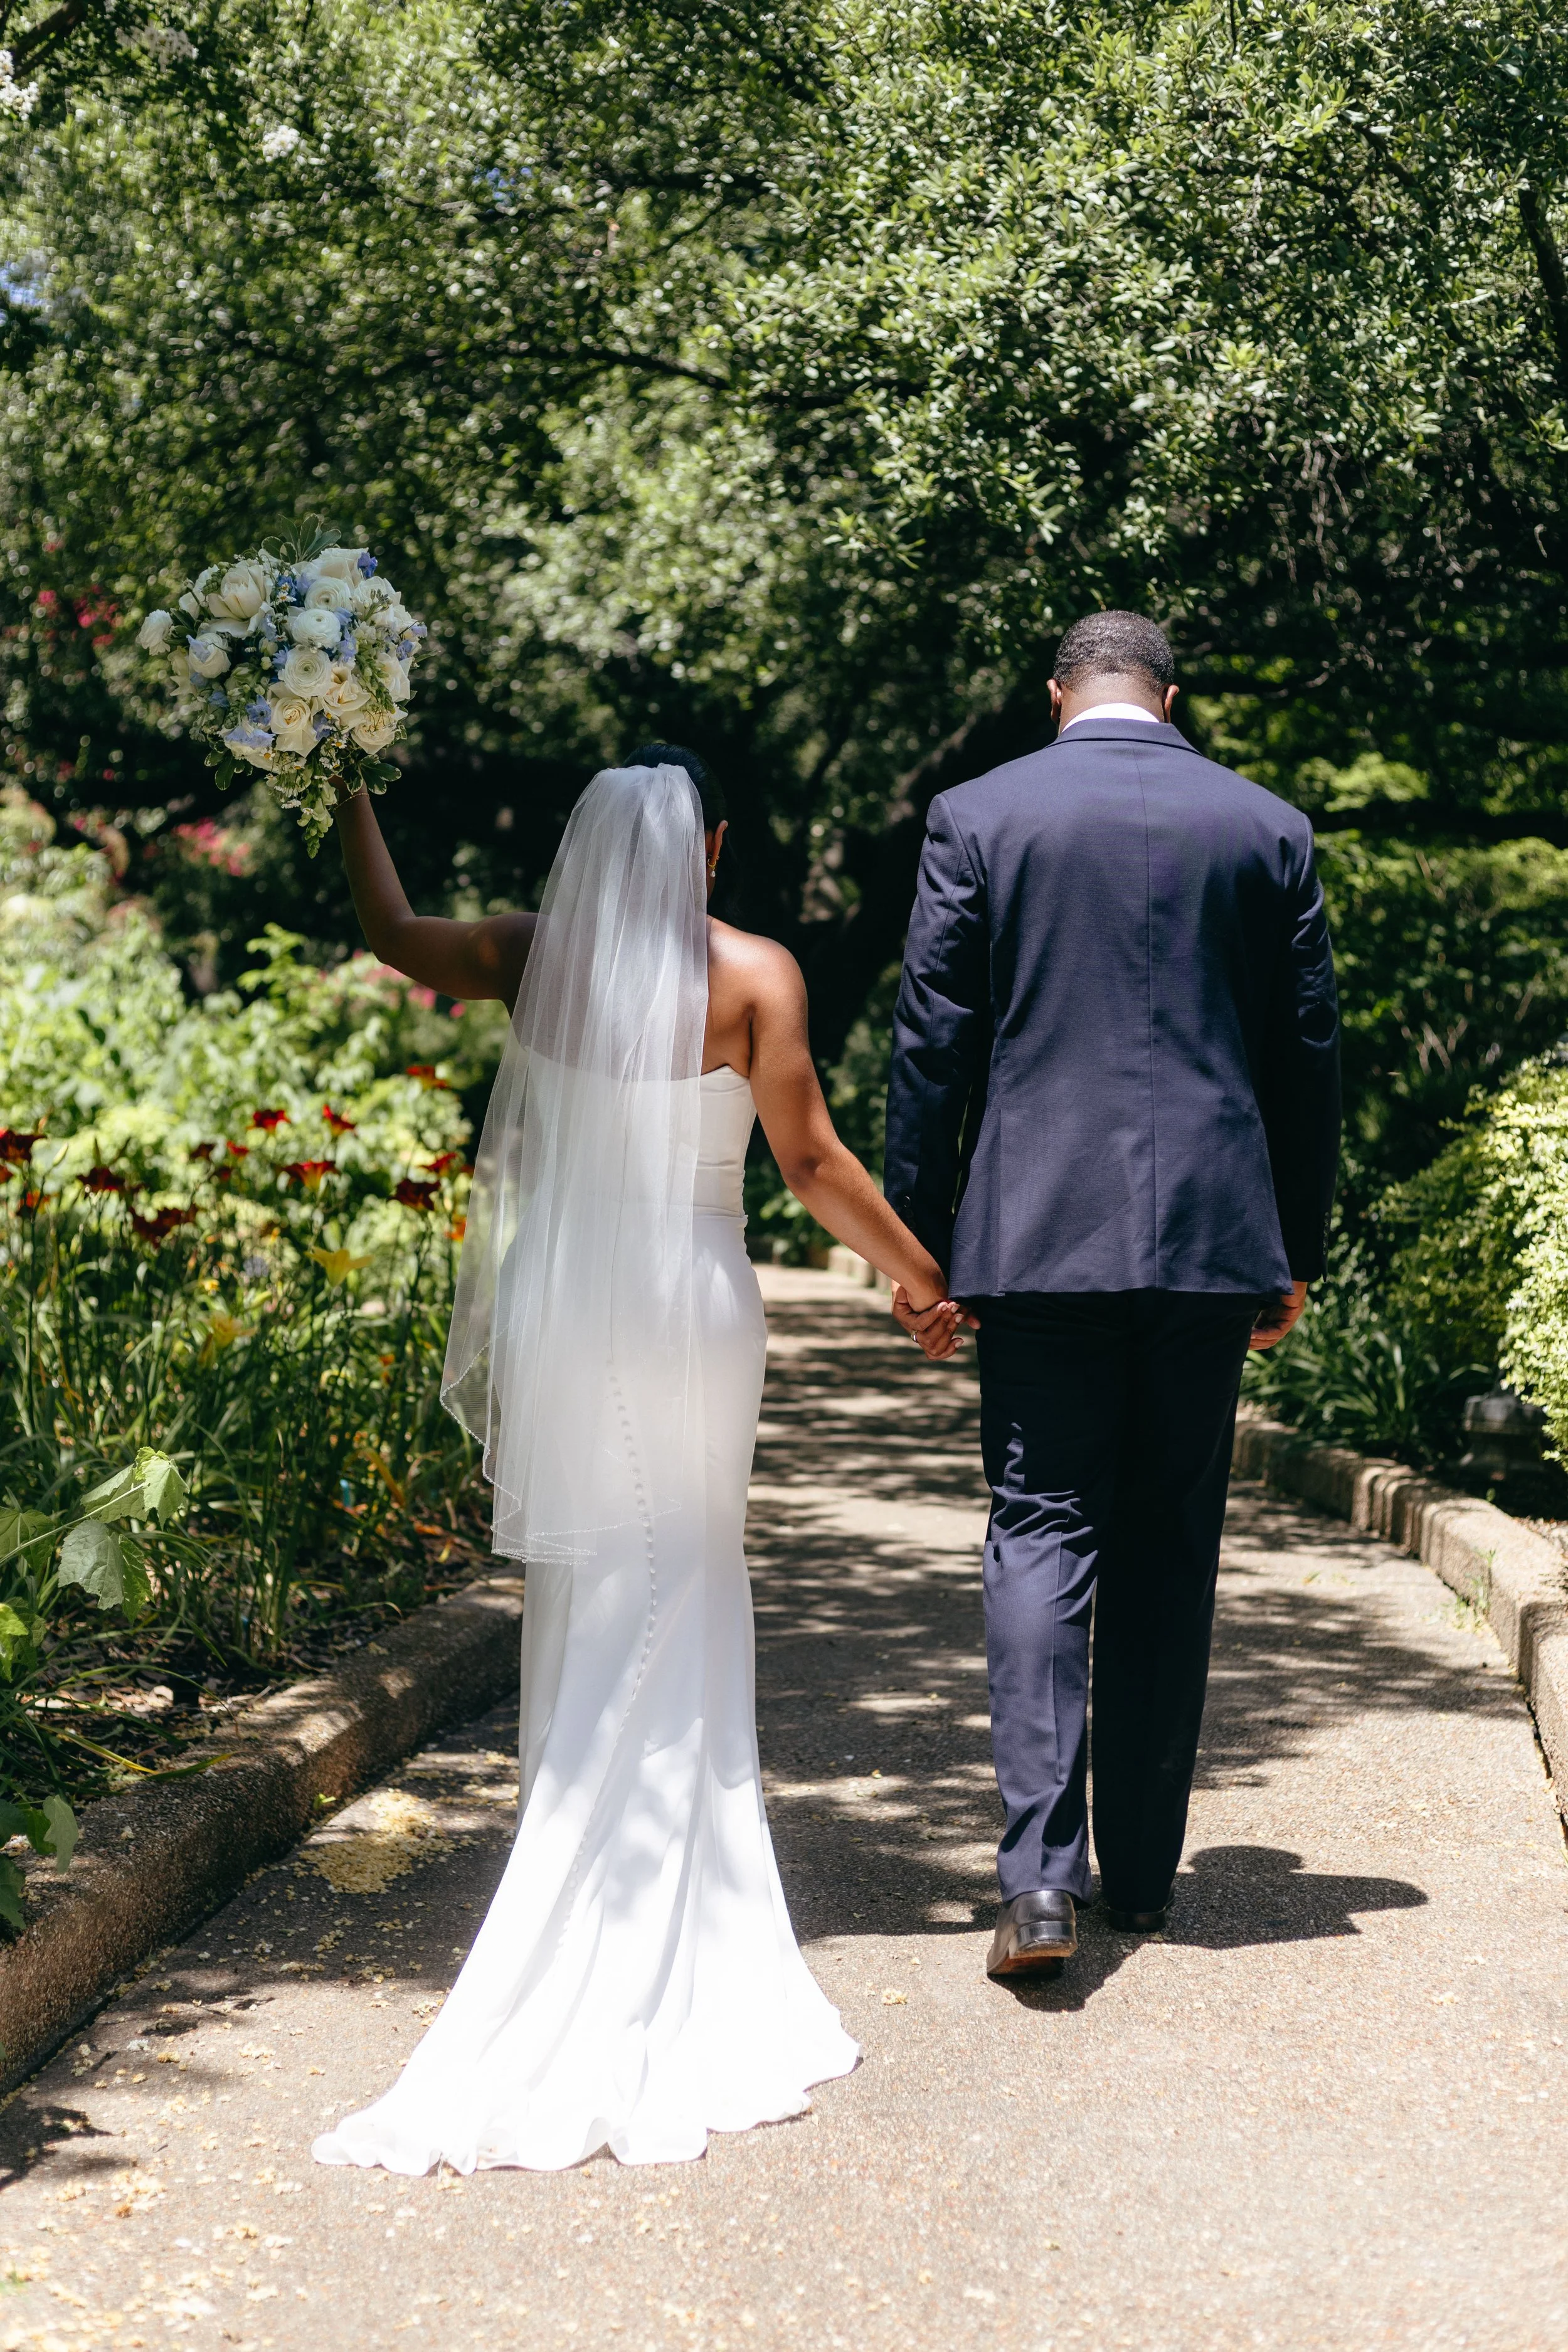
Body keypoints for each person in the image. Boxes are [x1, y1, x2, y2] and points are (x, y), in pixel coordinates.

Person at [312, 745, 962, 2171]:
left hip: (573, 1309)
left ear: (585, 851)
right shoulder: (753, 974)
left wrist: (347, 791)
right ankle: (669, 1884)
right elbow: (810, 1165)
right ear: (710, 849)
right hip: (691, 1300)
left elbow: (389, 933)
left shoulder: (531, 955)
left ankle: (600, 1834)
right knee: (690, 1574)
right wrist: (922, 1276)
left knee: (607, 1584)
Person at [882, 613, 1341, 1979]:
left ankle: (1036, 1888)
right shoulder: (1266, 829)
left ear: (1057, 697)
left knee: (1037, 1532)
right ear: (1169, 695)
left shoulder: (979, 815)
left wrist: (919, 1250)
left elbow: (931, 1041)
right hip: (1209, 1240)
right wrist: (1292, 1246)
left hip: (1033, 1237)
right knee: (1165, 1542)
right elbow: (1304, 1056)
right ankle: (1140, 1875)